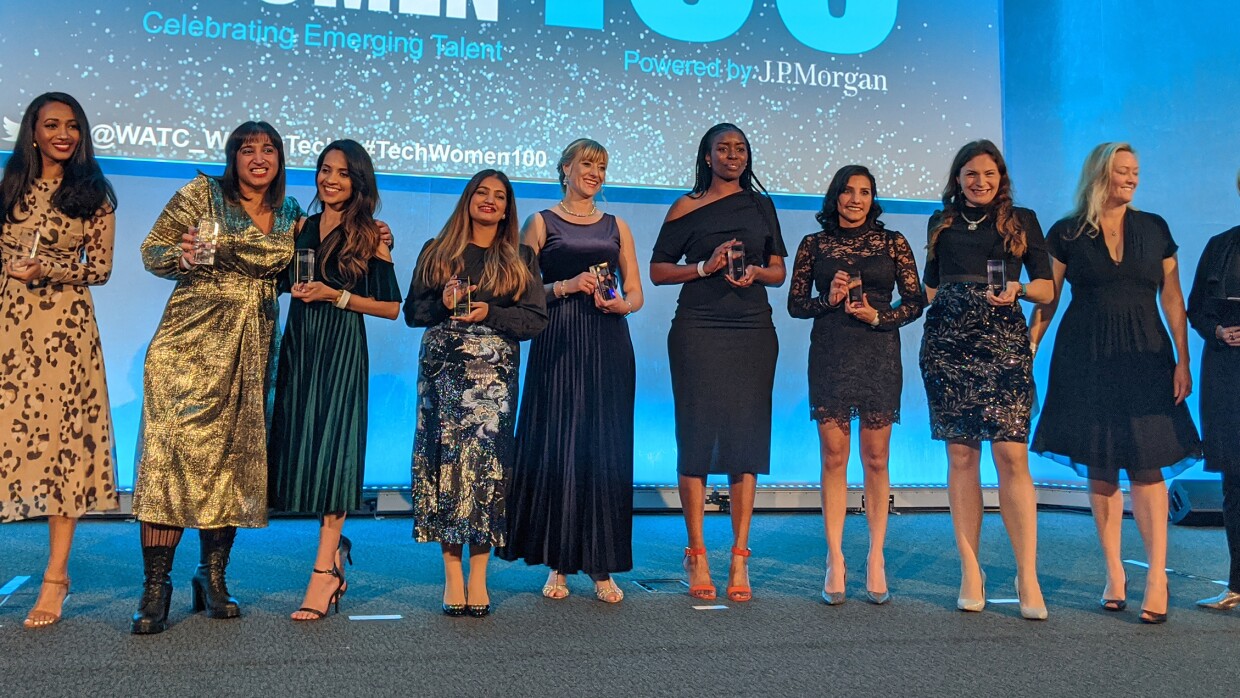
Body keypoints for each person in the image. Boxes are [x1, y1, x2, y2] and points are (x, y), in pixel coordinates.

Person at [131, 121, 303, 634]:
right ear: (232, 157)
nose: (258, 158)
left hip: (251, 349)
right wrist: (180, 255)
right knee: (171, 458)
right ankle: (155, 587)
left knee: (234, 459)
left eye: (268, 150)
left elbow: (302, 274)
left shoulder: (291, 213)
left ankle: (212, 576)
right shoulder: (201, 194)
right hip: (188, 343)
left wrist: (374, 239)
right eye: (247, 150)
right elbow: (151, 252)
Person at [1032, 143, 1201, 624]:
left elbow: (1173, 297)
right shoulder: (1067, 231)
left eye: (1135, 172)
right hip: (1085, 355)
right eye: (1122, 171)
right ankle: (1113, 572)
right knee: (1100, 464)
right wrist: (1027, 351)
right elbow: (1048, 299)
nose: (1131, 178)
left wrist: (1183, 360)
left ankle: (1156, 576)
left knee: (1149, 465)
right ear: (1100, 175)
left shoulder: (1155, 228)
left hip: (1145, 354)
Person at [499, 139, 644, 603]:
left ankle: (602, 565)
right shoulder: (539, 222)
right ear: (565, 169)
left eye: (602, 167)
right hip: (558, 339)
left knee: (605, 448)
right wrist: (564, 286)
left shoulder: (618, 225)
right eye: (587, 164)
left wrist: (623, 304)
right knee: (558, 444)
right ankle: (559, 563)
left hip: (607, 342)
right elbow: (517, 288)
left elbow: (636, 291)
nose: (596, 173)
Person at [649, 123, 786, 603]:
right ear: (706, 156)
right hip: (698, 329)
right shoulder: (686, 207)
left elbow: (778, 269)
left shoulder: (761, 205)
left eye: (740, 148)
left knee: (745, 439)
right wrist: (703, 267)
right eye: (723, 148)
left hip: (752, 329)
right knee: (697, 434)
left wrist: (754, 273)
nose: (733, 155)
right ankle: (697, 552)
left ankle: (740, 555)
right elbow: (658, 270)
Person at [268, 140, 401, 620]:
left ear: (358, 181)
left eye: (342, 173)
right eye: (325, 170)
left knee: (336, 452)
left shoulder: (372, 234)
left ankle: (322, 573)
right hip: (301, 346)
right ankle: (336, 552)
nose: (330, 180)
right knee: (302, 451)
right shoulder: (300, 226)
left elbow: (390, 307)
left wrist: (336, 295)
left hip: (342, 346)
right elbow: (282, 282)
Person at [920, 139, 1053, 620]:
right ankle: (970, 570)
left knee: (1012, 454)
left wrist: (1018, 287)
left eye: (989, 174)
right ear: (957, 178)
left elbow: (1047, 286)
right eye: (970, 174)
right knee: (960, 454)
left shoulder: (1023, 219)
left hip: (1003, 342)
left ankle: (1027, 574)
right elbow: (930, 285)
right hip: (948, 344)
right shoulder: (941, 222)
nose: (980, 182)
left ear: (1001, 179)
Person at [0, 92, 119, 628]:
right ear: (33, 131)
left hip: (64, 332)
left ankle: (56, 575)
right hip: (8, 326)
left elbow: (101, 269)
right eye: (52, 125)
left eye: (72, 125)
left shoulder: (94, 193)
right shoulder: (9, 187)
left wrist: (49, 270)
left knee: (63, 446)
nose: (63, 134)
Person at [405, 169, 547, 617]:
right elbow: (413, 312)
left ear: (507, 208)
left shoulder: (521, 256)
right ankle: (452, 575)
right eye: (481, 193)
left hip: (494, 384)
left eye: (499, 196)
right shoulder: (437, 250)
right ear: (468, 199)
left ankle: (480, 576)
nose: (489, 201)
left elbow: (535, 320)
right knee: (446, 466)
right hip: (444, 375)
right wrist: (442, 304)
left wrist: (492, 312)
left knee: (487, 472)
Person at [787, 165, 924, 605]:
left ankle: (876, 556)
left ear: (873, 199)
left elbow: (916, 300)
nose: (856, 199)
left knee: (877, 457)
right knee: (833, 455)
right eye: (848, 191)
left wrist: (880, 316)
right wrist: (828, 299)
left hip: (878, 351)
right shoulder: (814, 244)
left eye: (865, 192)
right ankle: (835, 557)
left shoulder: (893, 242)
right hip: (830, 352)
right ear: (835, 197)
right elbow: (795, 305)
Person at [1187, 168, 1240, 612]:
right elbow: (1194, 310)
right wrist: (1218, 330)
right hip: (1225, 376)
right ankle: (1237, 583)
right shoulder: (1221, 246)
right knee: (1234, 482)